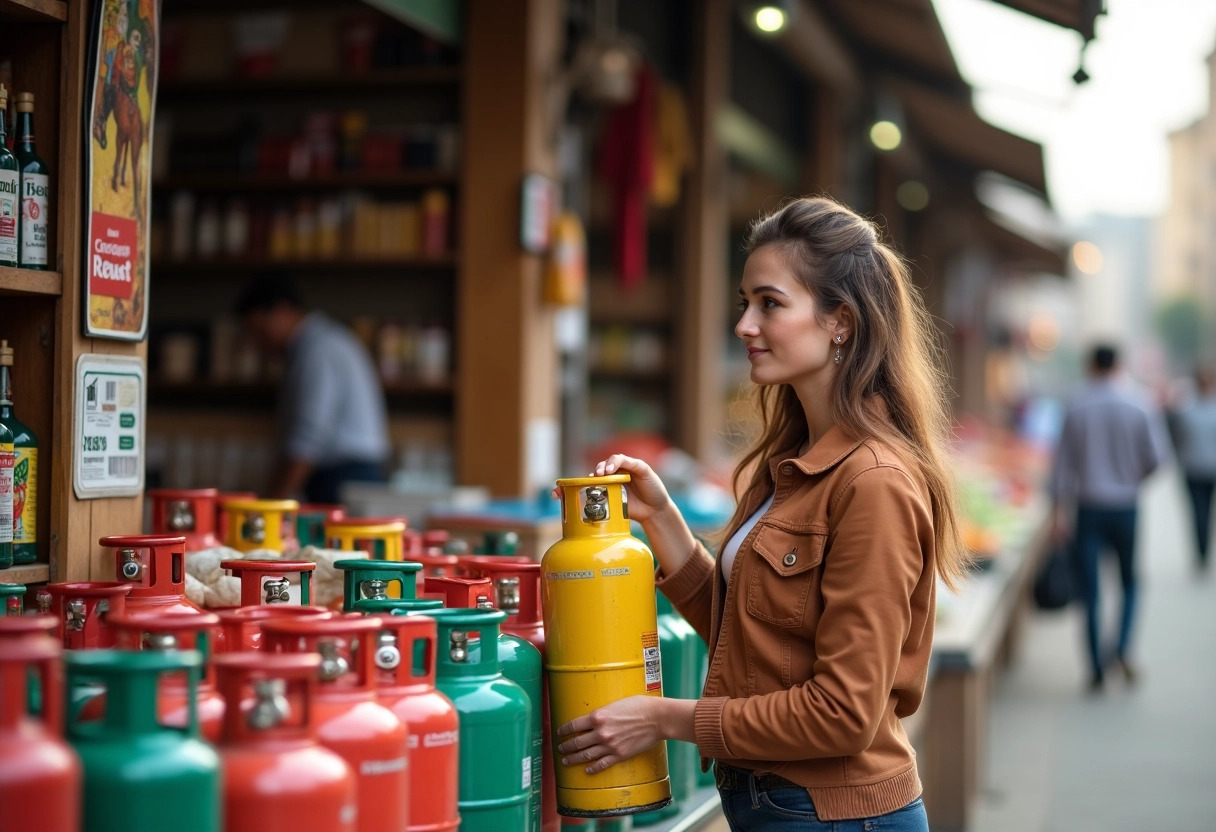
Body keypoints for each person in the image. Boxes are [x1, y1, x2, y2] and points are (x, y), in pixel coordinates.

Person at [554, 197, 969, 831]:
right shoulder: (794, 460)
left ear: (841, 323)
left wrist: (665, 719)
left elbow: (844, 713)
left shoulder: (873, 482)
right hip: (781, 807)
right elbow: (754, 641)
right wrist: (663, 522)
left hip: (836, 816)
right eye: (745, 303)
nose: (746, 324)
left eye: (770, 304)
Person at [1048, 344, 1170, 693]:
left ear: (1090, 366)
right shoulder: (1140, 403)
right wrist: (1131, 479)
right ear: (1118, 365)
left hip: (1087, 508)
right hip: (1125, 506)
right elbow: (1158, 459)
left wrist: (1059, 512)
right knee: (1130, 581)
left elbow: (1062, 467)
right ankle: (1121, 648)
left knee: (1091, 589)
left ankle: (1095, 668)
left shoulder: (1077, 404)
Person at [235, 274, 391, 504]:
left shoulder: (317, 350)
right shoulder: (319, 344)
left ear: (283, 311)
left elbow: (308, 436)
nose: (259, 342)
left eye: (260, 330)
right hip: (346, 471)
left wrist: (270, 505)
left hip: (344, 475)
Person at [1170, 366, 1216, 571]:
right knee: (1198, 513)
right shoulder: (1185, 409)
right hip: (1193, 468)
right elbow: (1176, 437)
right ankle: (1201, 552)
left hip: (1209, 468)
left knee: (1206, 512)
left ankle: (1204, 550)